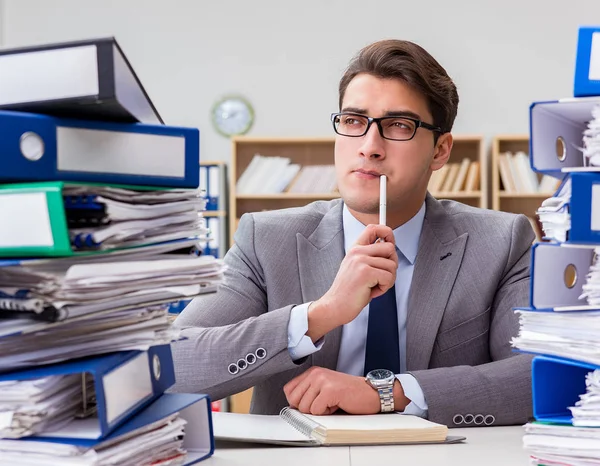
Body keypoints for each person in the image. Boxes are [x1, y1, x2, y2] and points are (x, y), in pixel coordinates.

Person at [170, 39, 534, 427]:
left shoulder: (502, 241)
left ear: (440, 150)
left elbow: (540, 374)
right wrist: (319, 315)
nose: (369, 147)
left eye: (399, 125)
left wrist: (389, 393)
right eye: (354, 121)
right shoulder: (265, 239)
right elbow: (170, 366)